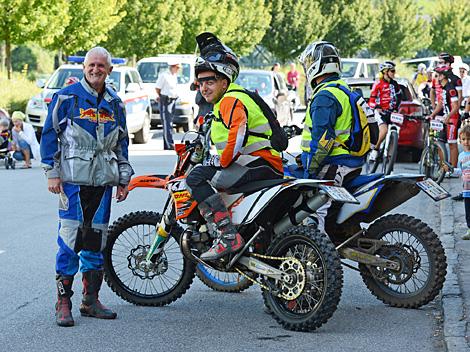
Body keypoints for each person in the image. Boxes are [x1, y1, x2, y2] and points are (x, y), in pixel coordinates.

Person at [40, 46, 134, 327]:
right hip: (72, 183)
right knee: (69, 243)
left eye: (101, 66)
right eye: (91, 65)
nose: (95, 70)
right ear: (84, 68)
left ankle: (90, 300)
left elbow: (122, 143)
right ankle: (63, 301)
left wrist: (123, 177)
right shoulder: (66, 97)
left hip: (103, 184)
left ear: (109, 70)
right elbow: (48, 135)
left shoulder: (116, 103)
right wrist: (52, 173)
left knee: (95, 242)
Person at [185, 32, 283, 261]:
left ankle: (227, 236)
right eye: (201, 82)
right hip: (262, 163)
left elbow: (237, 135)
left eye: (210, 81)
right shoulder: (235, 97)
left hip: (257, 163)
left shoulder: (230, 99)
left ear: (224, 81)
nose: (204, 88)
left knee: (196, 178)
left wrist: (221, 160)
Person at [298, 41, 365, 233]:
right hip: (351, 162)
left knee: (314, 215)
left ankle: (318, 259)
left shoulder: (324, 97)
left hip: (332, 165)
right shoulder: (345, 89)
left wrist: (310, 172)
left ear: (316, 66)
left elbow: (323, 140)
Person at [368, 61, 402, 162]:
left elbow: (399, 98)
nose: (394, 73)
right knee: (384, 130)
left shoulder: (395, 84)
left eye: (394, 71)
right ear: (385, 72)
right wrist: (377, 107)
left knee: (396, 132)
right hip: (380, 112)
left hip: (391, 112)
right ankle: (375, 149)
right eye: (392, 71)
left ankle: (390, 158)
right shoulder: (378, 83)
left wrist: (396, 108)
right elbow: (371, 100)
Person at [429, 65, 460, 170]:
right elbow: (441, 103)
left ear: (443, 76)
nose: (436, 78)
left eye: (437, 76)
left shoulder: (451, 89)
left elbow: (456, 106)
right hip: (445, 117)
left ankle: (454, 169)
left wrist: (449, 116)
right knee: (440, 141)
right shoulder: (443, 88)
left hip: (453, 119)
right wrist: (433, 114)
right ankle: (444, 168)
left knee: (452, 144)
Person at [155, 60, 180, 150]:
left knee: (170, 122)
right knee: (167, 123)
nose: (178, 69)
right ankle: (169, 144)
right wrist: (160, 96)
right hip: (165, 100)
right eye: (177, 67)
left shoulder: (174, 76)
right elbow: (158, 88)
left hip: (173, 100)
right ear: (172, 67)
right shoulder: (164, 75)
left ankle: (167, 144)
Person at [456, 125, 470, 239]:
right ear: (460, 140)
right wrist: (449, 170)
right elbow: (459, 171)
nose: (466, 142)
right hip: (466, 190)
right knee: (468, 213)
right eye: (464, 139)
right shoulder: (461, 156)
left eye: (469, 139)